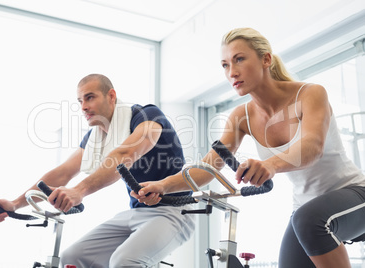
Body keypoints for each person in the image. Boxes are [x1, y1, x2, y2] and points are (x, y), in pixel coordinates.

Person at [132, 28, 365, 268]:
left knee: (308, 221)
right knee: (301, 230)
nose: (232, 72)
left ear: (266, 59)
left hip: (354, 193)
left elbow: (312, 148)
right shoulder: (241, 116)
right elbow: (209, 167)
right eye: (225, 65)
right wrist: (163, 185)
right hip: (306, 208)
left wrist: (270, 164)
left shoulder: (310, 93)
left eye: (239, 59)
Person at [0, 74, 195, 268]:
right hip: (136, 212)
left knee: (124, 261)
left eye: (90, 97)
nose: (84, 107)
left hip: (174, 211)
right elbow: (63, 172)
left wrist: (79, 191)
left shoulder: (147, 115)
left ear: (111, 96)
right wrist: (15, 203)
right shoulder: (95, 138)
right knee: (72, 258)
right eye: (80, 101)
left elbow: (125, 155)